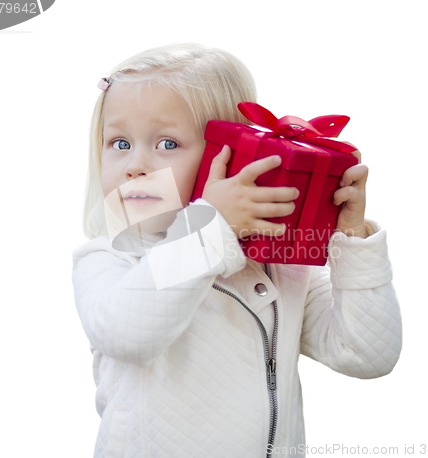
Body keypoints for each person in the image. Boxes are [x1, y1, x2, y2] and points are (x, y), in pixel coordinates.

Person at [72, 43, 402, 458]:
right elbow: (130, 334)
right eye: (119, 143)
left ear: (228, 155)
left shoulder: (279, 267)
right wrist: (212, 227)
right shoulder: (107, 261)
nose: (135, 165)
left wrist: (352, 241)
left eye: (167, 144)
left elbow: (367, 355)